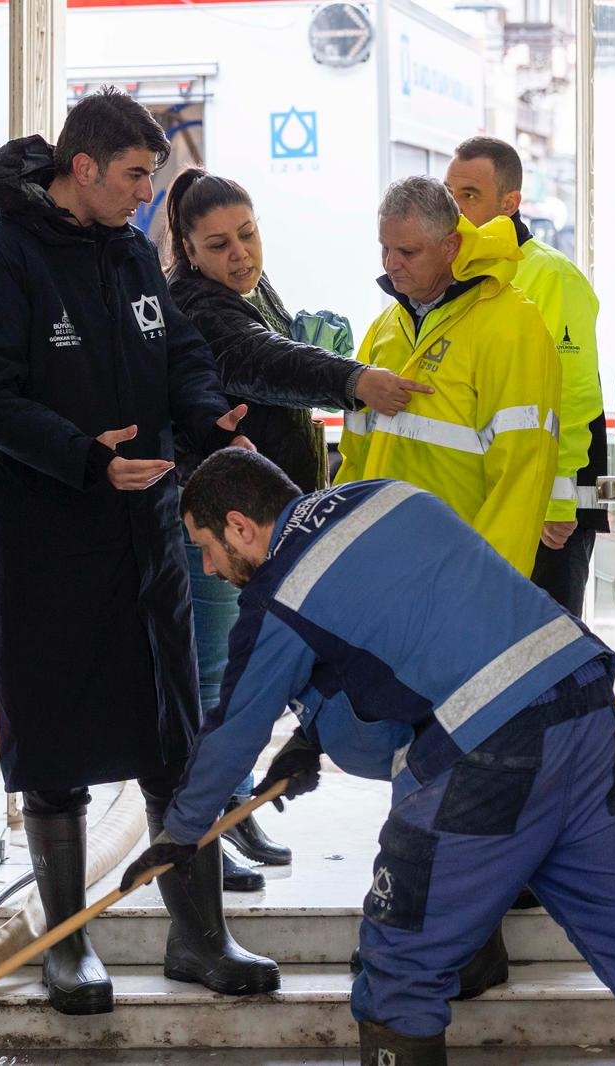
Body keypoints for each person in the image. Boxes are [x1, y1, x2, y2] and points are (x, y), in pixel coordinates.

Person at [122, 450, 615, 1066]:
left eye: (207, 547)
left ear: (240, 526)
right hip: (584, 704)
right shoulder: (383, 497)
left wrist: (182, 833)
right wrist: (312, 738)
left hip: (493, 745)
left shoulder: (281, 592)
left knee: (398, 963)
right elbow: (405, 640)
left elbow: (234, 730)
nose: (210, 566)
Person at [0, 88, 278, 1016]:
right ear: (84, 167)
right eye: (138, 176)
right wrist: (88, 460)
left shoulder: (131, 253)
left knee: (174, 738)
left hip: (147, 544)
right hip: (51, 541)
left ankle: (201, 938)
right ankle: (66, 947)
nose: (148, 194)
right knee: (53, 745)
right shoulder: (1, 265)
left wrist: (210, 415)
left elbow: (178, 352)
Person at [164, 167, 433, 890]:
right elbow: (264, 361)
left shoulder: (247, 291)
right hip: (223, 528)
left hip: (258, 524)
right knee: (218, 677)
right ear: (188, 251)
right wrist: (352, 378)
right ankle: (202, 839)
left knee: (238, 672)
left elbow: (273, 344)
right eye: (218, 244)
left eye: (247, 235)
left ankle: (234, 808)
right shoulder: (197, 303)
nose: (240, 254)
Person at [332, 176, 561, 577]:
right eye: (384, 248)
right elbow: (355, 455)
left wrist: (486, 585)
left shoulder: (510, 326)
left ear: (450, 246)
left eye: (408, 251)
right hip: (384, 561)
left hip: (460, 572)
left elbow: (521, 478)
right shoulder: (386, 326)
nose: (390, 264)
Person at [445, 136, 609, 616]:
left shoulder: (551, 276)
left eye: (469, 196)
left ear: (510, 203)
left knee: (549, 647)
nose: (454, 208)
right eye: (449, 193)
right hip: (496, 499)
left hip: (548, 512)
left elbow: (576, 395)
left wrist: (559, 502)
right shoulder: (461, 277)